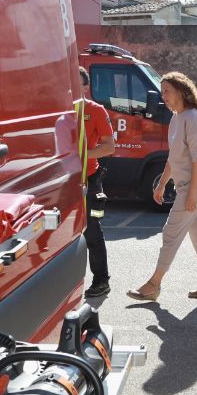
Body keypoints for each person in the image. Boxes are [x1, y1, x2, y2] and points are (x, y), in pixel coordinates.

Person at [127, 72, 197, 301]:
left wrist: (191, 194)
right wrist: (161, 185)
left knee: (171, 232)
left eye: (167, 91)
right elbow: (173, 157)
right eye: (162, 92)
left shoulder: (192, 117)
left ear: (181, 91)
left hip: (196, 184)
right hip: (186, 185)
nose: (164, 96)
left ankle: (154, 284)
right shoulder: (177, 118)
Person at [79, 66, 115, 297]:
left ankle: (101, 280)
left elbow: (109, 147)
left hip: (91, 182)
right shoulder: (58, 111)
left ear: (85, 86)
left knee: (93, 230)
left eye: (75, 84)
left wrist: (80, 154)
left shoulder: (95, 110)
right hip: (64, 181)